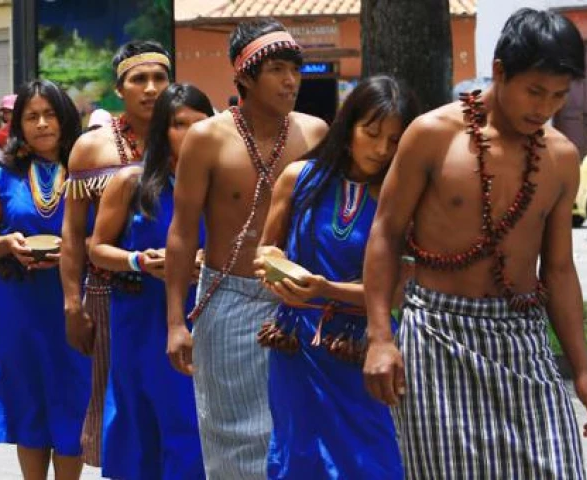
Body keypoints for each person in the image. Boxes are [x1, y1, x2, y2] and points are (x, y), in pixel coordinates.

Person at [362, 9, 587, 479]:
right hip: (437, 333)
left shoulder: (560, 157)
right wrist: (380, 337)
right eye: (534, 91)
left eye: (558, 96)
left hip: (522, 335)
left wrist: (582, 370)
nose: (544, 108)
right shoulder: (432, 135)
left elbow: (557, 270)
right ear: (499, 72)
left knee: (557, 467)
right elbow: (386, 233)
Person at [165, 19, 327, 479]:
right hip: (228, 298)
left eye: (294, 69)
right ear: (245, 78)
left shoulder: (315, 134)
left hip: (299, 302)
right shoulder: (208, 138)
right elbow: (180, 234)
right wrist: (176, 322)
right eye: (276, 69)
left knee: (300, 431)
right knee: (233, 436)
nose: (290, 80)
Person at [254, 75, 416, 479]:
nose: (381, 149)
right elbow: (265, 248)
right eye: (372, 133)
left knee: (369, 459)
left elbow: (394, 296)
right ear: (348, 128)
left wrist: (325, 289)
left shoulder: (404, 199)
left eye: (395, 140)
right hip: (295, 342)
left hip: (362, 347)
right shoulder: (298, 178)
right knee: (298, 454)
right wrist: (273, 270)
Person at [89, 83, 213, 480]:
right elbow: (97, 248)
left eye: (200, 123)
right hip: (141, 315)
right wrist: (137, 260)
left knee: (192, 420)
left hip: (203, 312)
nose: (191, 133)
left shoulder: (223, 184)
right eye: (180, 124)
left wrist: (206, 260)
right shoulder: (132, 182)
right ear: (161, 130)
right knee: (139, 419)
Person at [60, 39, 171, 467]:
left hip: (177, 295)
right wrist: (73, 303)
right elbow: (72, 236)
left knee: (176, 404)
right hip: (111, 296)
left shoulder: (190, 138)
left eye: (159, 78)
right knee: (122, 407)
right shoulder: (93, 148)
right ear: (119, 88)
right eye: (138, 79)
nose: (150, 88)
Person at [0, 79, 90, 480]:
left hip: (73, 302)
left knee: (73, 393)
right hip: (19, 305)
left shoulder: (89, 173)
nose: (42, 124)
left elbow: (107, 236)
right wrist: (6, 242)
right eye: (32, 117)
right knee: (29, 396)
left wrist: (74, 249)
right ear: (19, 124)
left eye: (50, 114)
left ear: (66, 118)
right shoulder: (2, 178)